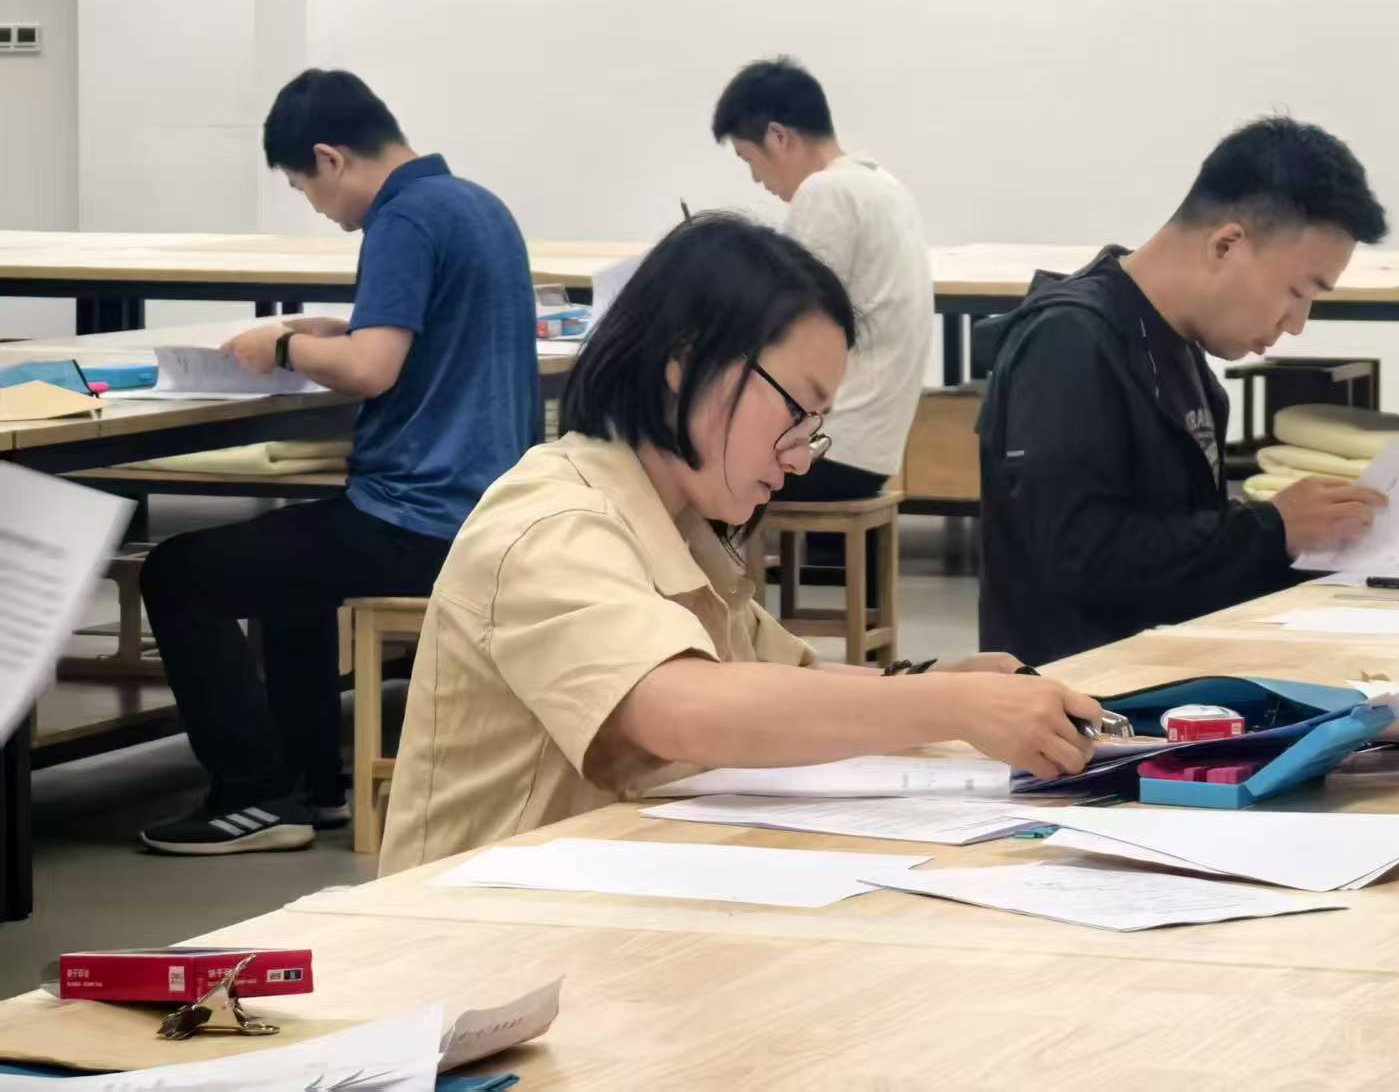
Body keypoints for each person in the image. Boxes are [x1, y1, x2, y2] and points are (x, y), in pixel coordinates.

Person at [379, 215, 1101, 874]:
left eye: (815, 426)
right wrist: (954, 704)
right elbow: (684, 708)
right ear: (685, 358)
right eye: (796, 410)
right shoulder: (551, 522)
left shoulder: (682, 530)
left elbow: (781, 682)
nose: (802, 456)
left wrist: (942, 682)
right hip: (469, 934)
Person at [138, 69, 538, 855]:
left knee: (177, 572)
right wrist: (336, 331)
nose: (319, 208)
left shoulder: (403, 218)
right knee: (293, 562)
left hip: (417, 518)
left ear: (330, 158)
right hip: (488, 512)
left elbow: (373, 369)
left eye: (305, 188)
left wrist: (285, 345)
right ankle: (311, 785)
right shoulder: (478, 206)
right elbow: (422, 342)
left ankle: (253, 794)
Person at [977, 117, 1391, 667]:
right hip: (1077, 692)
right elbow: (1080, 556)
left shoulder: (1177, 351)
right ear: (1226, 245)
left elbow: (1173, 548)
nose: (1296, 323)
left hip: (1161, 674)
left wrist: (1307, 541)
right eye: (1297, 291)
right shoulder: (1071, 343)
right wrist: (1272, 530)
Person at [712, 57, 933, 504]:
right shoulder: (883, 186)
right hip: (873, 449)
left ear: (778, 136)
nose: (756, 178)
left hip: (830, 449)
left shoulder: (825, 192)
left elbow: (785, 326)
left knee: (674, 459)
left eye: (749, 158)